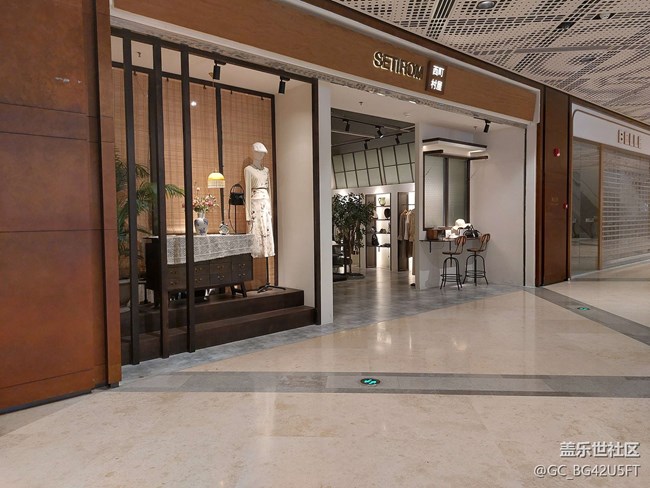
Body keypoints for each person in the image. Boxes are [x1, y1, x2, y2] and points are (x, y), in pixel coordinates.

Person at [244, 142, 275, 258]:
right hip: (255, 202)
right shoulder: (248, 170)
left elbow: (269, 190)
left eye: (262, 153)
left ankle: (267, 251)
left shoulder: (266, 170)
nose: (261, 155)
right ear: (253, 152)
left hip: (266, 202)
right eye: (258, 152)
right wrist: (248, 214)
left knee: (266, 227)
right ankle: (257, 251)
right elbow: (247, 191)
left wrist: (270, 210)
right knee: (256, 228)